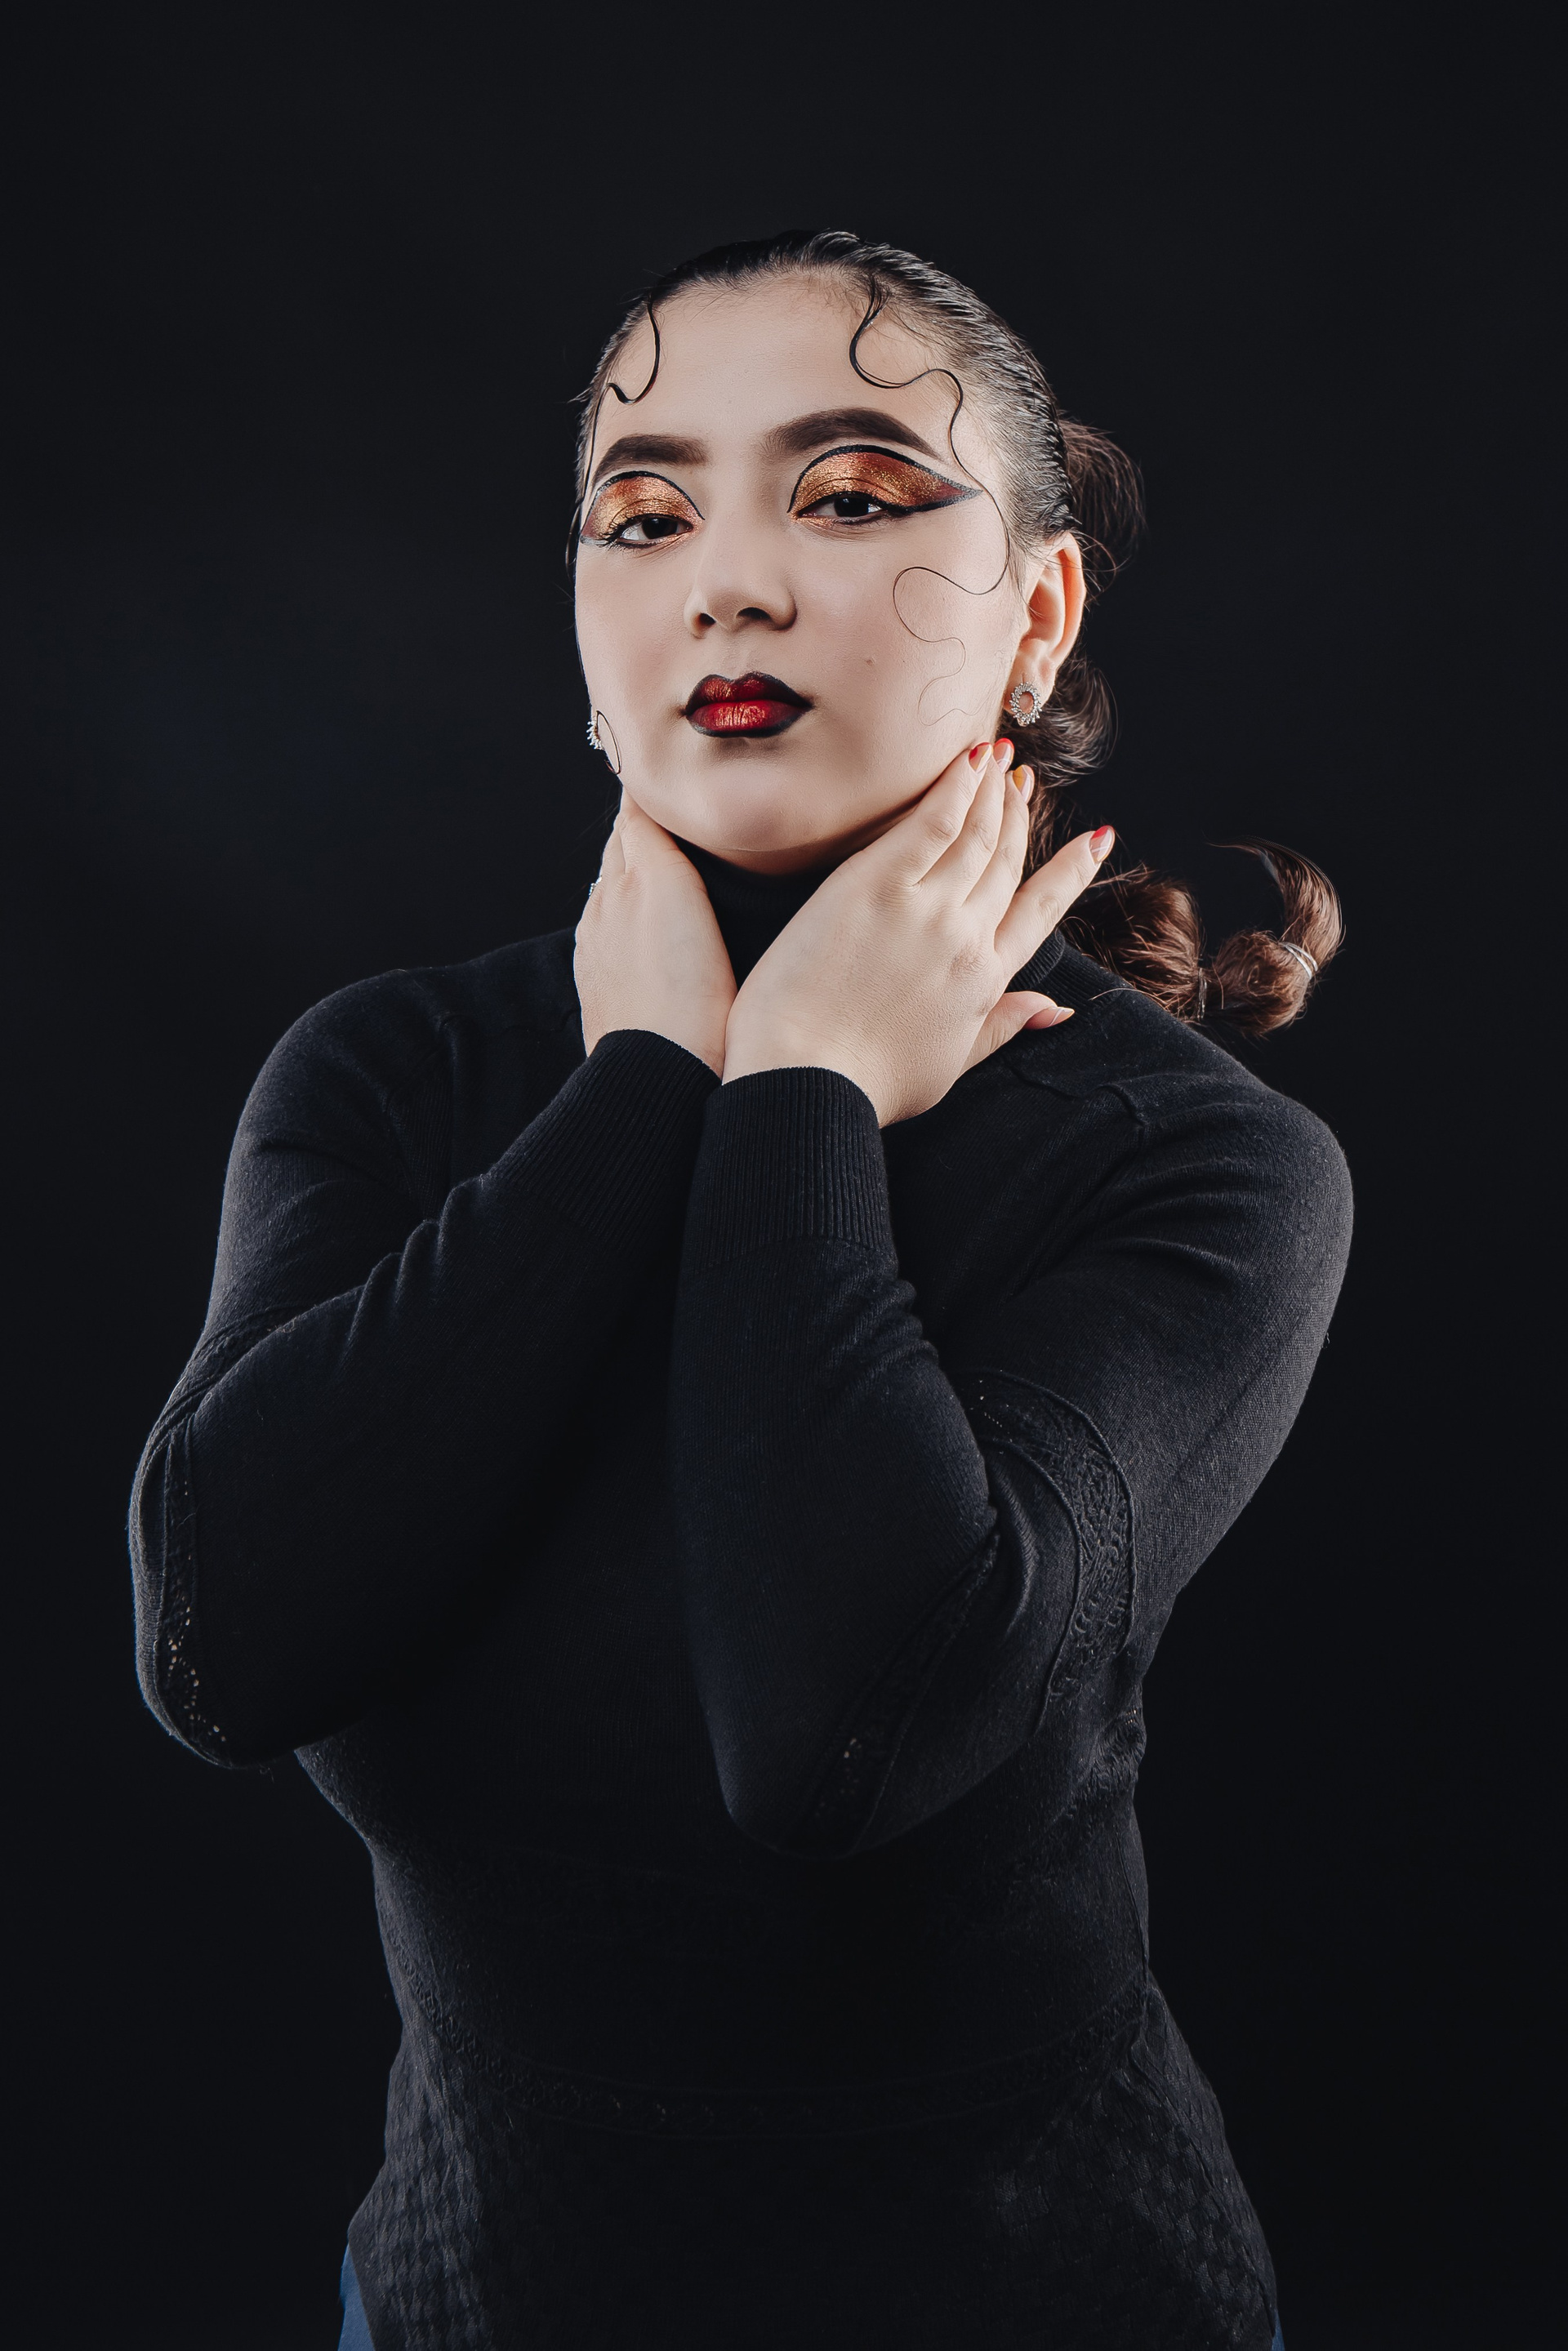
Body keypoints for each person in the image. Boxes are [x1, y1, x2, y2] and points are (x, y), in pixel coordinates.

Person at [131, 230, 1350, 2350]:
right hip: (455, 2305)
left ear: (1038, 612)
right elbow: (224, 1653)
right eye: (646, 515)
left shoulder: (1198, 1166)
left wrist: (798, 1091)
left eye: (854, 496)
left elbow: (835, 1742)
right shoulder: (393, 1076)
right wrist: (643, 1089)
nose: (733, 585)